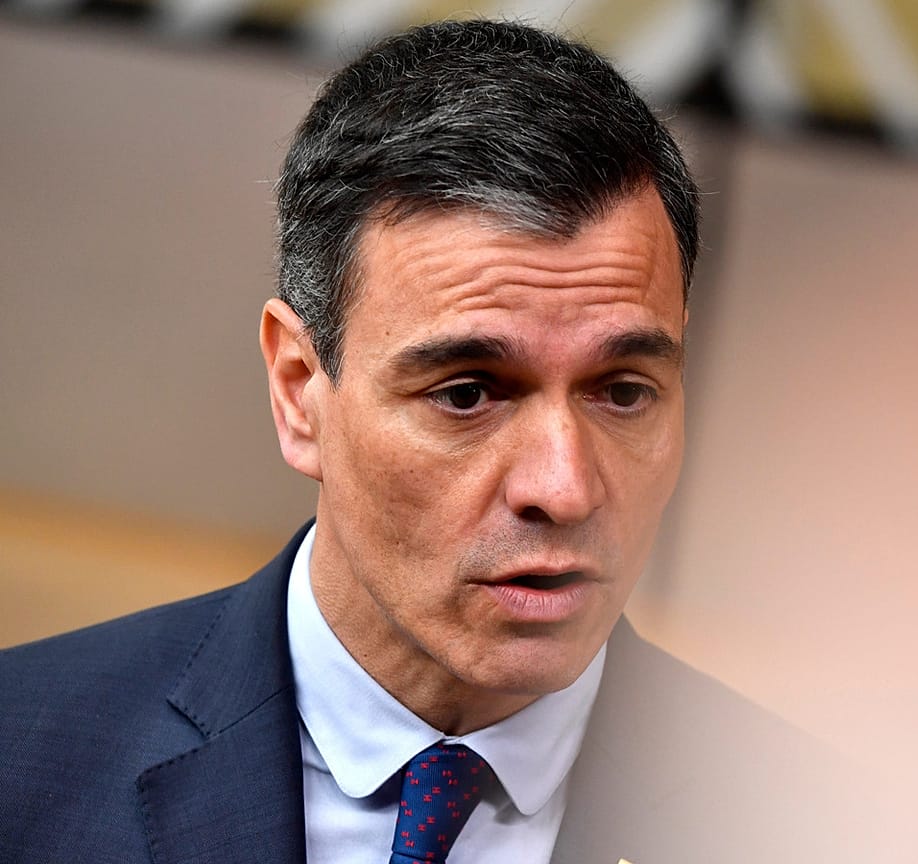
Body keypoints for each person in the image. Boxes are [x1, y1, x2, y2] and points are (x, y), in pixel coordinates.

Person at [0, 19, 866, 864]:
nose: (563, 487)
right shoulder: (24, 760)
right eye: (466, 393)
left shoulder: (834, 834)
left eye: (624, 393)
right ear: (301, 393)